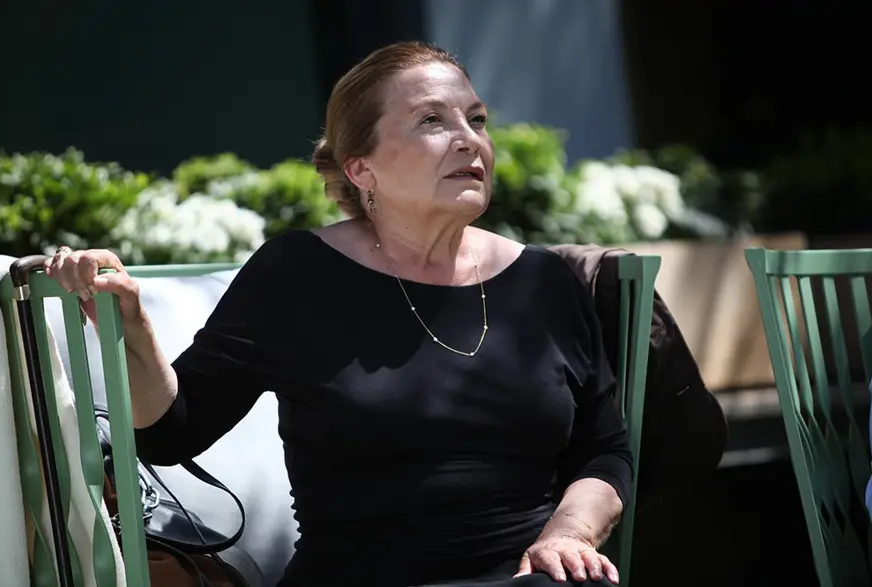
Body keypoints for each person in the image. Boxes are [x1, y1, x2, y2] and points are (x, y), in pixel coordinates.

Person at [46, 41, 631, 587]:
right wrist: (132, 328)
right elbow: (175, 431)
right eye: (432, 120)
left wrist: (568, 535)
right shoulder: (297, 274)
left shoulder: (544, 280)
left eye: (476, 120)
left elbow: (605, 451)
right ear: (360, 168)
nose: (468, 140)